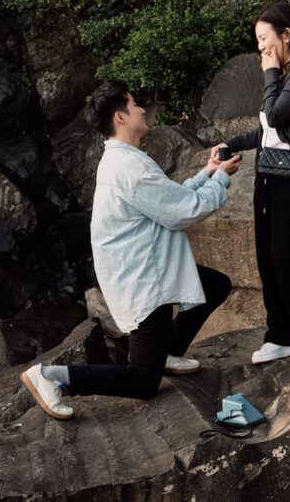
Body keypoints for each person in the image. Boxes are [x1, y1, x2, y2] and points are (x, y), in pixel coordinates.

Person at [22, 81, 242, 419]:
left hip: (145, 270)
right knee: (143, 382)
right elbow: (183, 212)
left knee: (214, 285)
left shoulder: (124, 160)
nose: (142, 109)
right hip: (144, 283)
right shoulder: (129, 166)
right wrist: (221, 179)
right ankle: (52, 376)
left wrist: (208, 173)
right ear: (121, 117)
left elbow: (170, 199)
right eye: (135, 104)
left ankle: (167, 353)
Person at [217, 2, 290, 366]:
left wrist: (268, 74)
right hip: (271, 175)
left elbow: (276, 116)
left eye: (265, 38)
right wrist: (232, 144)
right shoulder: (284, 76)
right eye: (258, 41)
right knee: (267, 259)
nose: (261, 48)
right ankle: (280, 336)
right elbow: (267, 131)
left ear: (286, 35)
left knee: (285, 255)